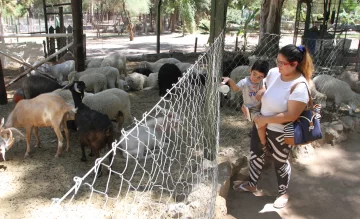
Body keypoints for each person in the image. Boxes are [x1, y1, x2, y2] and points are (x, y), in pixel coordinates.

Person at [233, 44, 314, 209]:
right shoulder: (273, 73)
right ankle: (252, 184)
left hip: (280, 131)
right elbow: (266, 87)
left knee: (280, 161)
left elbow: (292, 115)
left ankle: (283, 192)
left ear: (294, 64)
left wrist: (266, 119)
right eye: (277, 61)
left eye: (282, 63)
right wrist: (261, 93)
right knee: (256, 154)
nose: (278, 66)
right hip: (261, 123)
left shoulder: (300, 86)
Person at [222, 60, 270, 149]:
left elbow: (264, 88)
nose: (256, 78)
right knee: (261, 124)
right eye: (254, 74)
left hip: (262, 107)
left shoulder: (261, 82)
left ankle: (260, 137)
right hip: (251, 109)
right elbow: (236, 89)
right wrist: (229, 80)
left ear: (264, 77)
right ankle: (264, 144)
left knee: (265, 122)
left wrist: (262, 90)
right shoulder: (245, 82)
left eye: (259, 77)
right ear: (250, 70)